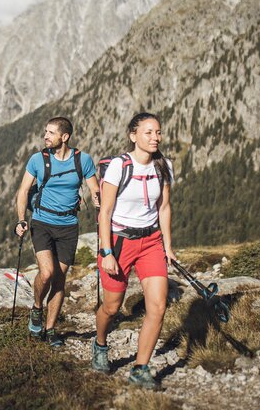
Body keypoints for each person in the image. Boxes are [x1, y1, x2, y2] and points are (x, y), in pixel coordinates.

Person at [92, 112, 175, 389]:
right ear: (133, 136)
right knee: (112, 307)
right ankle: (100, 343)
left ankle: (141, 368)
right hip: (119, 242)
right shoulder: (119, 166)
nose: (155, 138)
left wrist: (168, 246)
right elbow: (105, 213)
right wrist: (106, 253)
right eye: (149, 132)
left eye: (158, 132)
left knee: (158, 307)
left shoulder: (164, 166)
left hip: (151, 242)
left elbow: (163, 208)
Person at [15, 116, 99, 347]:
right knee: (47, 273)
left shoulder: (83, 160)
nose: (45, 137)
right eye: (45, 132)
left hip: (69, 226)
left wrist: (96, 197)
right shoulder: (37, 160)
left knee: (60, 281)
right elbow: (23, 191)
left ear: (65, 137)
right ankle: (37, 307)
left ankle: (51, 329)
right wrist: (21, 220)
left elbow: (95, 188)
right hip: (41, 222)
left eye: (51, 133)